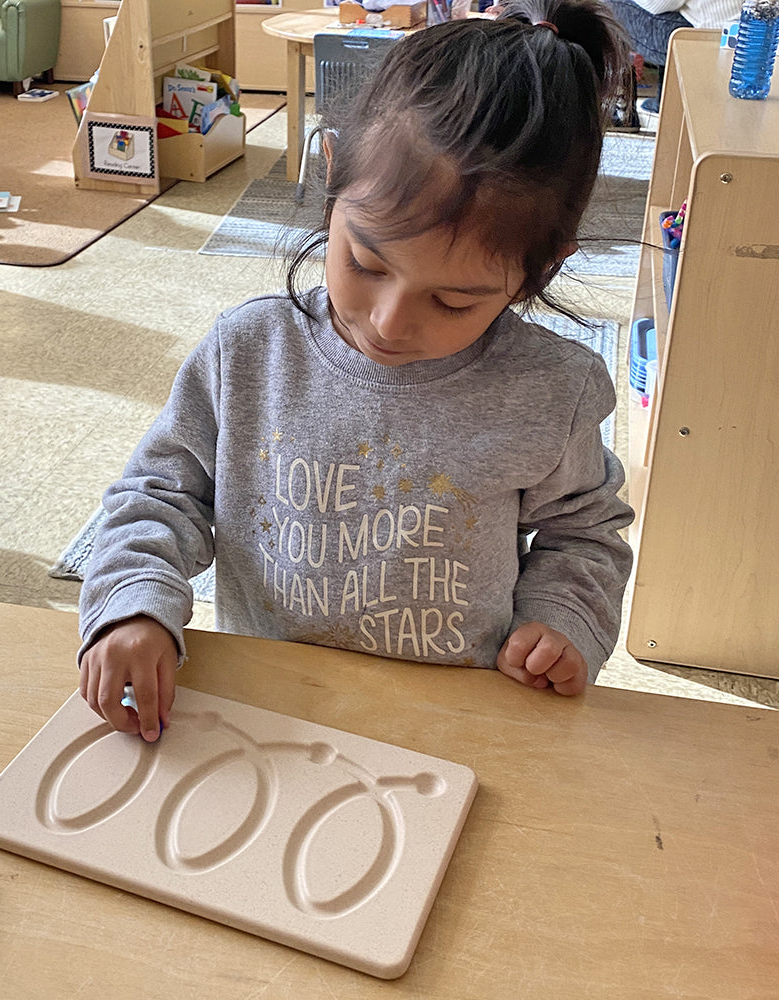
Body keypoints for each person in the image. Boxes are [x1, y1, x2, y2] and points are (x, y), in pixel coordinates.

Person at [78, 0, 637, 742]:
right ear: (331, 173)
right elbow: (160, 491)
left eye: (454, 299)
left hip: (454, 724)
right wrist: (134, 601)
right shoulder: (248, 352)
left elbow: (586, 534)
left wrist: (561, 620)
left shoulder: (550, 392)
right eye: (366, 264)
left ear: (536, 275)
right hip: (263, 712)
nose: (390, 322)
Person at [605, 0, 742, 112]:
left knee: (608, 4)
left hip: (710, 40)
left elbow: (657, 4)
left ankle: (621, 110)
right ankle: (666, 100)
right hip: (748, 37)